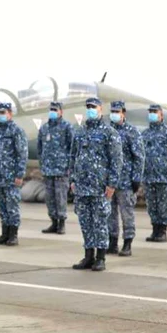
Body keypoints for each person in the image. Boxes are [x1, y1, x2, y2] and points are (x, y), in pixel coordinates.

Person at [70, 97, 122, 272]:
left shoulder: (109, 132)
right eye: (88, 107)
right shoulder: (80, 131)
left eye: (93, 107)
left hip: (100, 187)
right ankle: (88, 256)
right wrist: (72, 180)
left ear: (101, 109)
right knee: (85, 222)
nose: (90, 110)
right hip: (82, 186)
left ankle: (101, 257)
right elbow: (73, 157)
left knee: (100, 222)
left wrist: (112, 184)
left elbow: (116, 160)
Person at [107, 101, 144, 256]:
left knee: (126, 213)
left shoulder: (132, 132)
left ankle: (127, 243)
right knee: (110, 214)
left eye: (117, 111)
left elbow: (139, 157)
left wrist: (136, 178)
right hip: (110, 182)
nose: (114, 114)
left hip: (126, 181)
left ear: (123, 113)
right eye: (112, 111)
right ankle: (112, 242)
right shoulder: (107, 131)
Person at [141, 104, 167, 242]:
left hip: (164, 177)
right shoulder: (145, 134)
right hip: (148, 176)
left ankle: (162, 231)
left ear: (161, 115)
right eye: (150, 112)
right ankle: (155, 230)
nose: (152, 114)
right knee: (152, 205)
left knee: (163, 205)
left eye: (155, 112)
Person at [0, 102, 28, 246]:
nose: (1, 115)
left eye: (3, 112)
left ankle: (13, 235)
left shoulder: (16, 131)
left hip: (11, 176)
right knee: (2, 206)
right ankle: (4, 234)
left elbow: (22, 154)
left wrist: (19, 174)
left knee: (12, 206)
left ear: (10, 114)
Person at [37, 101, 73, 235]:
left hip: (61, 170)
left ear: (61, 112)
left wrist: (69, 166)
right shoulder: (44, 128)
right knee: (50, 198)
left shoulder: (67, 127)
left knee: (60, 197)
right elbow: (40, 148)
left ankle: (62, 223)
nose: (52, 112)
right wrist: (42, 164)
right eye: (51, 109)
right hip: (48, 170)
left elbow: (72, 148)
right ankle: (53, 222)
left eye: (55, 109)